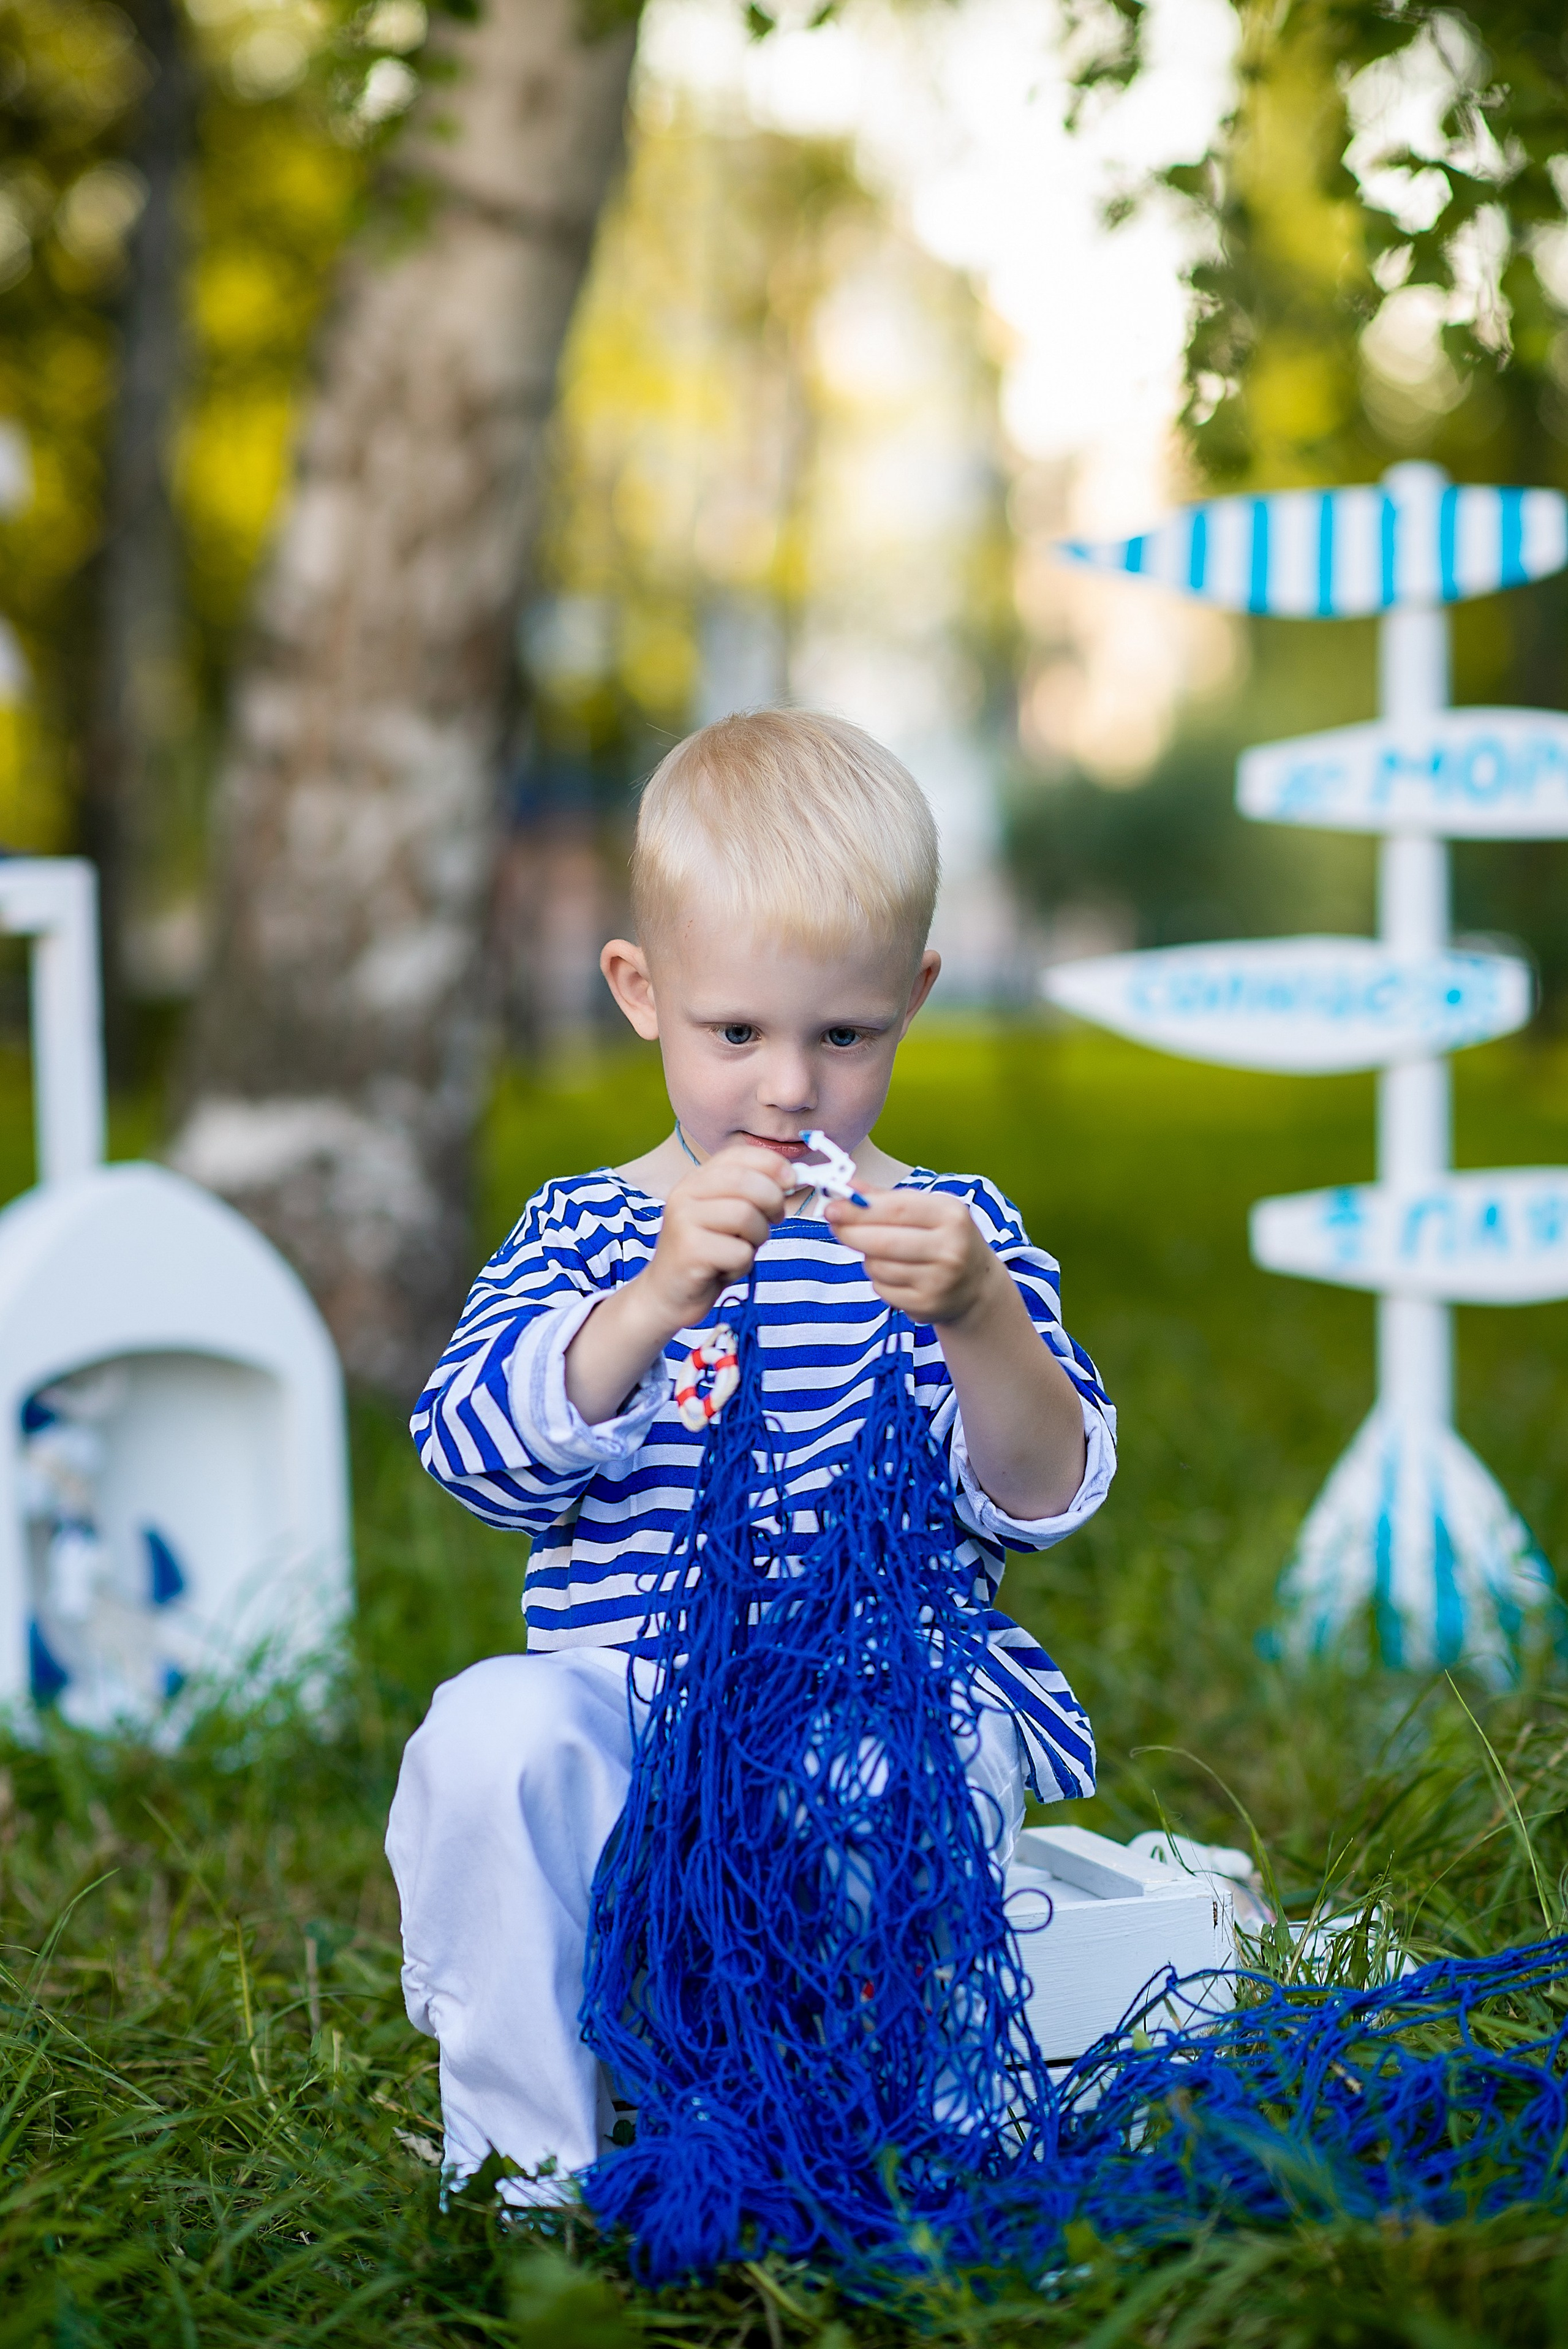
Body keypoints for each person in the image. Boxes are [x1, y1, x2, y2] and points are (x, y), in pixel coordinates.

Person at [386, 708, 1117, 2199]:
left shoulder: (951, 1237)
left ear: (912, 997)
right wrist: (649, 1301)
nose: (788, 1089)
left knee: (916, 1762)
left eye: (842, 1035)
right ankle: (527, 2162)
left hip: (873, 1679)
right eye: (738, 1033)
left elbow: (1044, 1496)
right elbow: (472, 1453)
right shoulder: (588, 1230)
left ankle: (882, 2138)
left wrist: (977, 1318)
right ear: (641, 993)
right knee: (488, 1731)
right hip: (622, 1706)